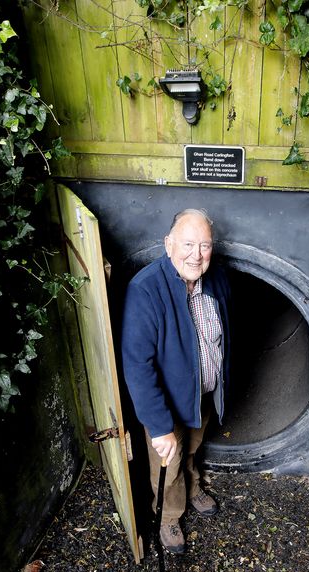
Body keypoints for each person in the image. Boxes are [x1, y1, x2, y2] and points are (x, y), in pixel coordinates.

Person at [121, 209, 231, 554]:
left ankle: (194, 484)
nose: (195, 255)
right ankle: (169, 514)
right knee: (167, 462)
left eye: (204, 245)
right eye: (187, 244)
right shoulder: (146, 289)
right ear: (168, 245)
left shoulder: (215, 279)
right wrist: (158, 426)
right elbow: (138, 365)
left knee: (194, 447)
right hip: (166, 403)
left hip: (202, 392)